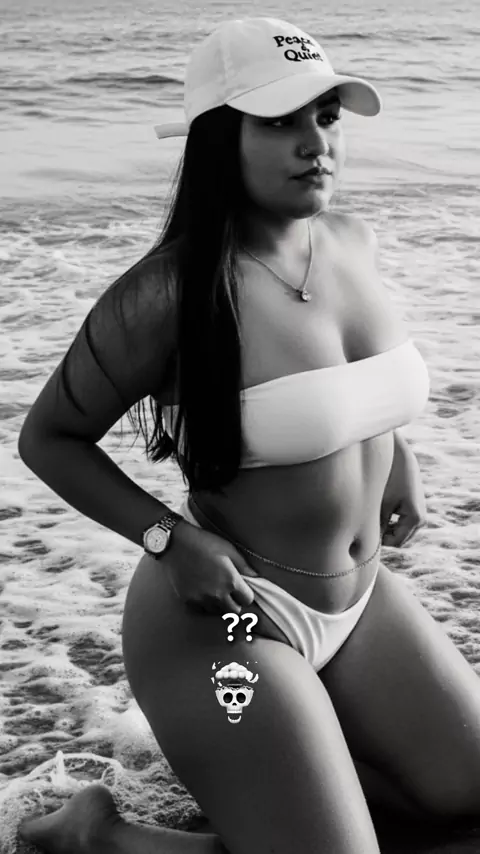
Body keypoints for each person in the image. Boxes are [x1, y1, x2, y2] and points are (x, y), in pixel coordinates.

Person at [16, 15, 480, 854]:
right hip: (232, 620)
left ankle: (296, 791)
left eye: (326, 117)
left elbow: (343, 393)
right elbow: (49, 439)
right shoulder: (167, 294)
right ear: (217, 140)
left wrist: (397, 452)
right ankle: (98, 838)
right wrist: (168, 538)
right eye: (280, 122)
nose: (315, 143)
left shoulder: (352, 241)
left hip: (361, 603)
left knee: (467, 803)